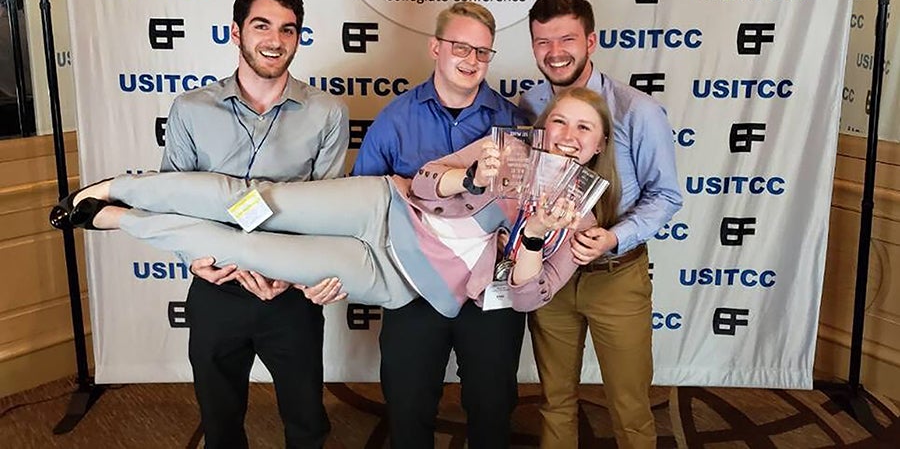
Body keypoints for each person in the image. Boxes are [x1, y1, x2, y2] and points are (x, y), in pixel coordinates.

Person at [54, 88, 618, 317]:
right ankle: (115, 187)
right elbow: (425, 182)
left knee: (242, 251)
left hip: (399, 277)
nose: (568, 134)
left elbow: (519, 298)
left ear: (598, 144)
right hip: (383, 208)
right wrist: (468, 179)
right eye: (560, 121)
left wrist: (538, 235)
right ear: (544, 125)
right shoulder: (509, 150)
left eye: (584, 128)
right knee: (253, 204)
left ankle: (120, 219)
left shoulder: (581, 222)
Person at [89, 0, 349, 449]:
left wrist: (289, 275)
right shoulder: (190, 109)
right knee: (219, 417)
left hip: (286, 292)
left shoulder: (327, 111)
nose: (275, 40)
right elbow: (174, 198)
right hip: (216, 286)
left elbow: (327, 209)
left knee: (307, 419)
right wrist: (198, 260)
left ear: (298, 37)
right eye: (262, 26)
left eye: (288, 30)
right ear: (236, 32)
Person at [352, 1, 529, 448]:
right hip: (414, 287)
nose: (472, 60)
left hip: (489, 292)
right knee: (408, 408)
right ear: (435, 47)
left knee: (493, 408)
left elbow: (527, 207)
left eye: (483, 52)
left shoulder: (513, 123)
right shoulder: (394, 119)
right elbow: (365, 203)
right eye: (461, 47)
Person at [520, 0, 683, 449]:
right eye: (542, 42)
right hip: (551, 275)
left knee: (630, 407)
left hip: (616, 277)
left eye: (566, 39)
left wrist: (613, 237)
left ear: (591, 41)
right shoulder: (528, 108)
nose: (555, 53)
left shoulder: (639, 111)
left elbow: (666, 195)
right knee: (554, 401)